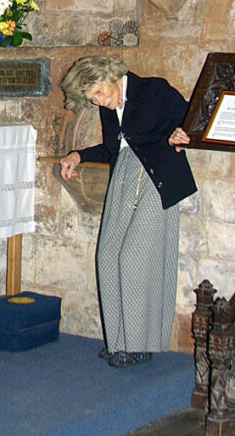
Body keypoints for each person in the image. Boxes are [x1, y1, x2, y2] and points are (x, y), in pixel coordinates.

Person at [59, 56, 195, 368]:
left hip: (156, 177)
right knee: (107, 256)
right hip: (124, 177)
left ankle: (139, 343)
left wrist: (181, 132)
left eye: (98, 93)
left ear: (110, 76)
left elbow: (191, 118)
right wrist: (78, 154)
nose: (99, 101)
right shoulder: (110, 108)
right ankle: (119, 341)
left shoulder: (153, 90)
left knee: (134, 256)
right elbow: (112, 149)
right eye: (92, 99)